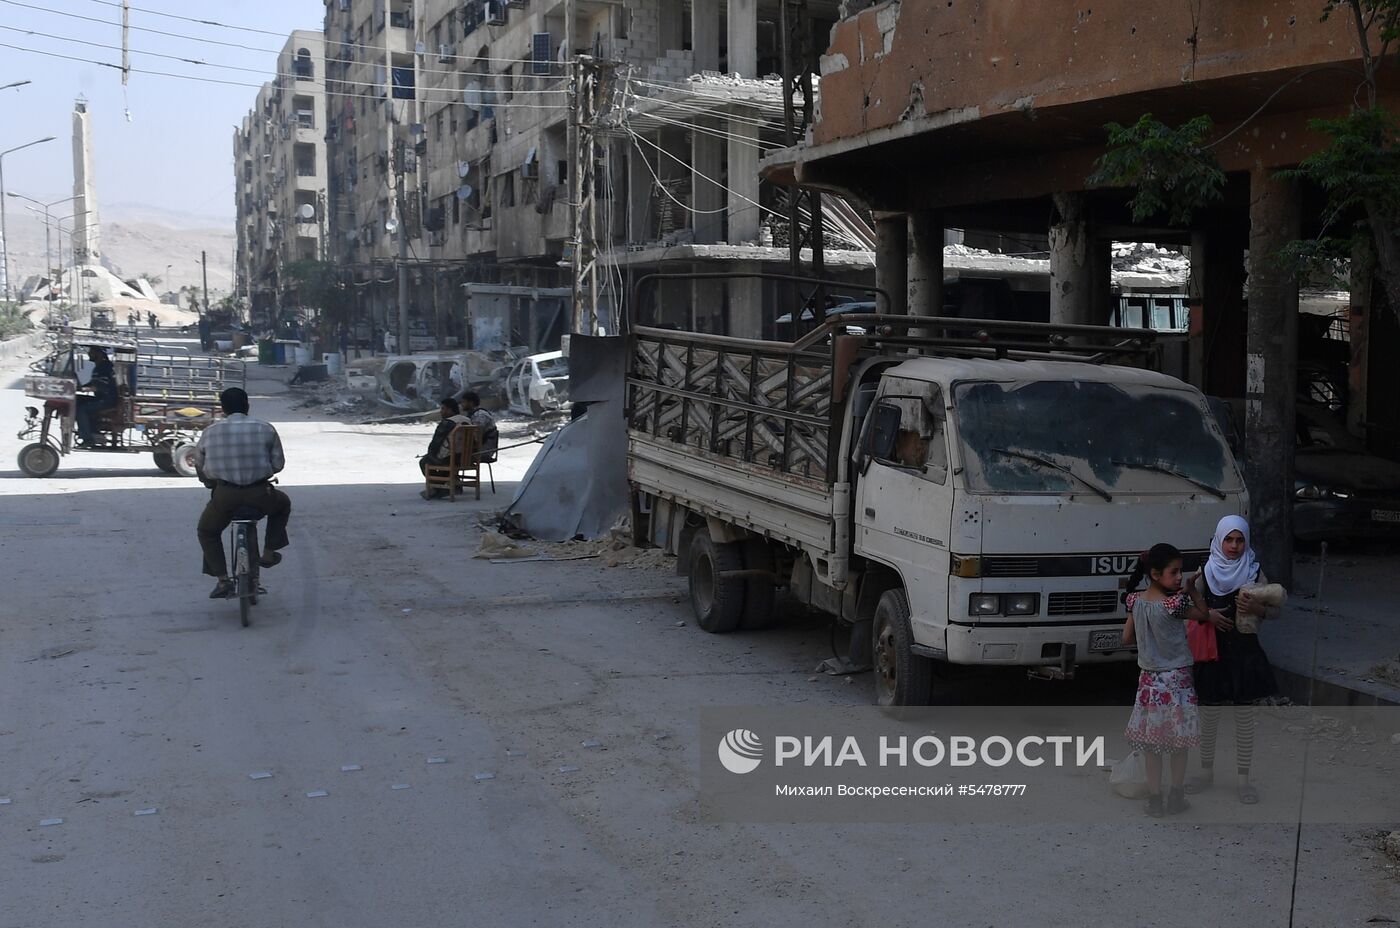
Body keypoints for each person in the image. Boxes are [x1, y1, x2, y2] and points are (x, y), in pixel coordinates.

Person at [1185, 516, 1284, 804]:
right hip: (1212, 653)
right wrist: (1208, 615)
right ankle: (1205, 773)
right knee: (1210, 716)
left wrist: (1257, 607)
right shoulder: (1206, 572)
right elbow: (1187, 606)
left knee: (1243, 718)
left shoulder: (1254, 571)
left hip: (1244, 653)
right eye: (1229, 539)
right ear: (1219, 540)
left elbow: (1276, 611)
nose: (1234, 546)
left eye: (1240, 540)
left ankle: (1243, 780)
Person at [1121, 542, 1207, 817]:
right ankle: (1176, 796)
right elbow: (1204, 616)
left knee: (1152, 744)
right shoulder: (1175, 603)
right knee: (1178, 744)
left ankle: (1155, 799)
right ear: (1156, 574)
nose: (1180, 577)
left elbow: (1126, 638)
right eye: (1175, 572)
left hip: (1148, 681)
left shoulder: (1135, 601)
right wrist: (1193, 590)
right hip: (1177, 681)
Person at [192, 387, 292, 599]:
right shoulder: (265, 428)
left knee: (207, 531)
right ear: (247, 405)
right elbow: (278, 464)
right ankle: (268, 553)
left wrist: (210, 483)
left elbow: (199, 463)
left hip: (225, 495)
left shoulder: (210, 431)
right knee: (282, 504)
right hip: (260, 493)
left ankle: (222, 580)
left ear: (222, 409)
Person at [74, 346, 120, 447]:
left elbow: (100, 386)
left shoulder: (105, 367)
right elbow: (93, 383)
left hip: (107, 400)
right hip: (101, 398)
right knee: (77, 400)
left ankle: (88, 438)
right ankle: (91, 430)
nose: (89, 354)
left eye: (91, 352)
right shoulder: (98, 367)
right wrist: (80, 387)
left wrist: (86, 389)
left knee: (83, 409)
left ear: (99, 353)